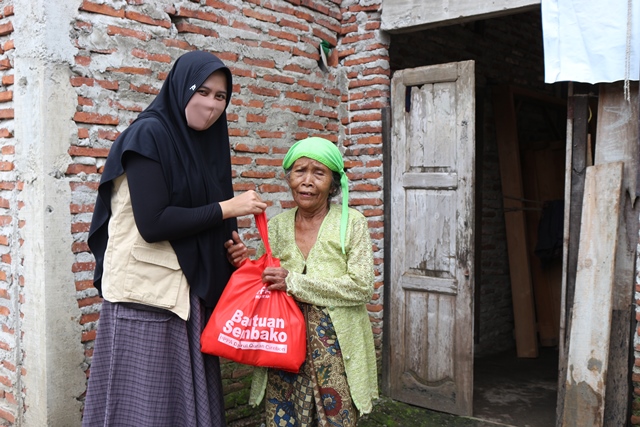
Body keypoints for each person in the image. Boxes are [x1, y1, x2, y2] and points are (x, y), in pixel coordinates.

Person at [83, 51, 267, 427]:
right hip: (146, 296)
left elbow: (201, 210)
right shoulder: (149, 134)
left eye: (221, 96)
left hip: (186, 292)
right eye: (203, 91)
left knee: (180, 404)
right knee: (146, 405)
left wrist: (229, 246)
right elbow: (153, 222)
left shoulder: (204, 143)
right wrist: (229, 209)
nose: (212, 104)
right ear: (182, 89)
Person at [226, 137, 379, 426]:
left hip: (335, 348)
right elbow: (265, 284)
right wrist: (244, 264)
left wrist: (294, 282)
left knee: (337, 418)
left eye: (318, 173)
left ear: (333, 183)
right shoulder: (277, 225)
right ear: (289, 178)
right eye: (300, 171)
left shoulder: (352, 223)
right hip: (283, 343)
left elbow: (362, 287)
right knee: (285, 416)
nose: (307, 181)